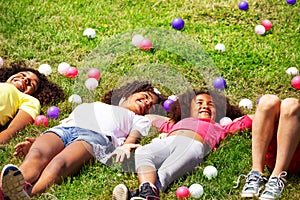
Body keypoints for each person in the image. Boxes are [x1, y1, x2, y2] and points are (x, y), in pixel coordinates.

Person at [0, 81, 163, 199]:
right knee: (36, 154)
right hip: (63, 130)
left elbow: (134, 134)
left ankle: (27, 194)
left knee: (59, 164)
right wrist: (36, 141)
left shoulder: (138, 118)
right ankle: (6, 190)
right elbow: (68, 121)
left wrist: (126, 145)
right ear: (130, 92)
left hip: (94, 137)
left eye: (150, 104)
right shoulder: (95, 104)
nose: (147, 102)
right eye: (146, 96)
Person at [112, 89, 253, 200]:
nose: (205, 106)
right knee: (143, 153)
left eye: (211, 105)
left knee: (166, 171)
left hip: (193, 146)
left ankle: (140, 194)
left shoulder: (219, 127)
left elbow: (249, 120)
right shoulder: (176, 123)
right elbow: (150, 118)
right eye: (199, 103)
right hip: (168, 141)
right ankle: (146, 189)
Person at [238, 94, 300, 199]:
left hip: (295, 155)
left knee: (292, 105)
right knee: (267, 101)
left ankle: (278, 176)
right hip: (273, 154)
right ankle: (256, 172)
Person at [0, 61, 65, 144]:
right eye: (23, 75)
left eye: (31, 84)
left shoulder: (30, 100)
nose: (25, 79)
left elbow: (13, 129)